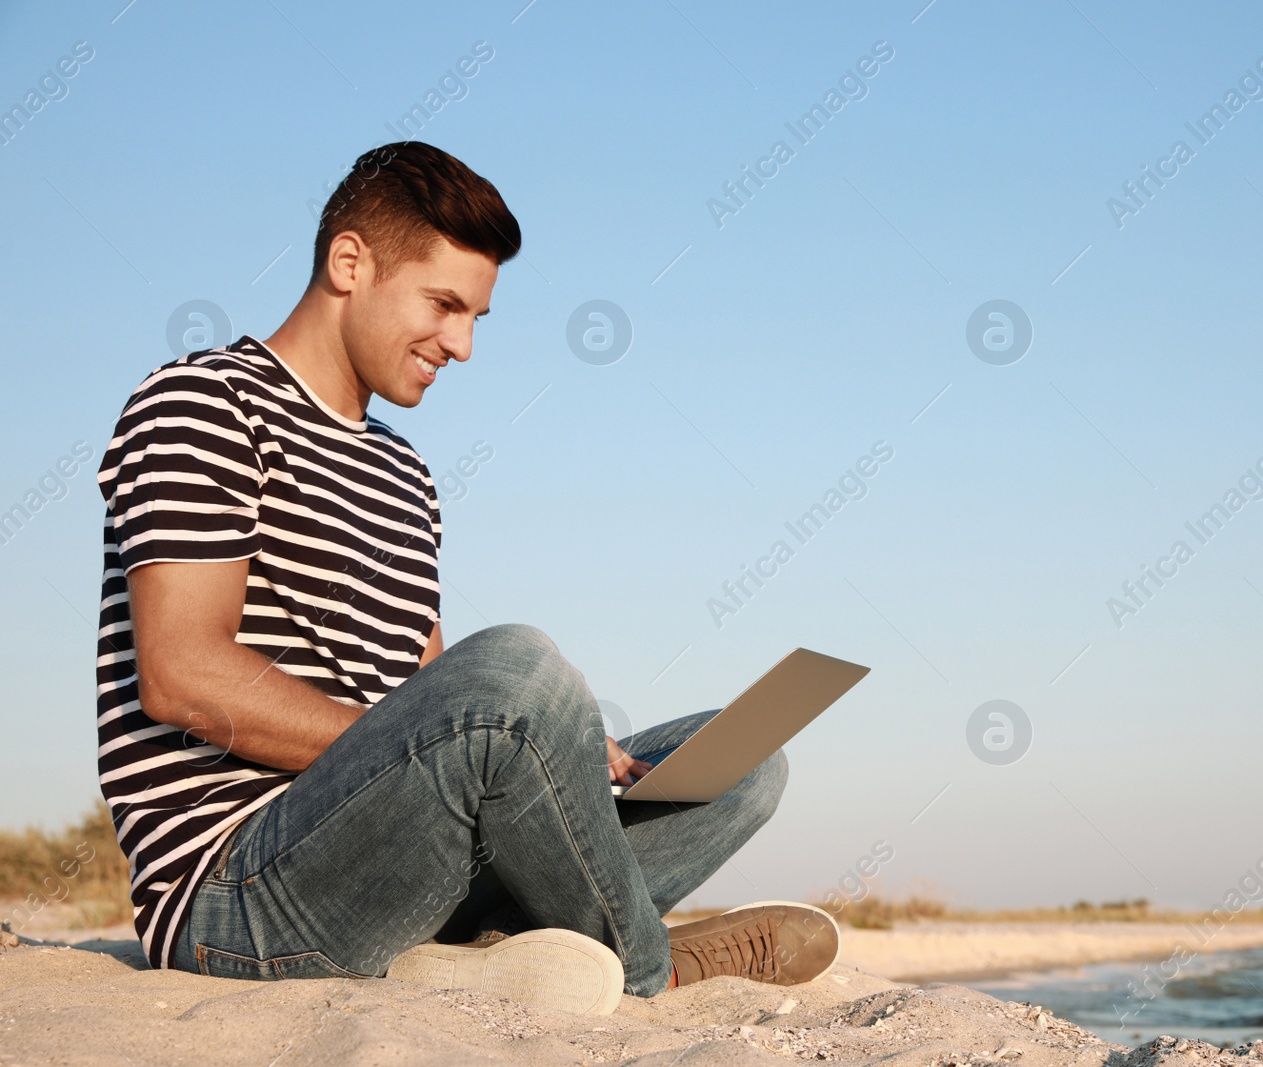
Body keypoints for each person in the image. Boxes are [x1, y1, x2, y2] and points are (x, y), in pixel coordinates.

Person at [94, 141, 839, 1015]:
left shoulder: (404, 474)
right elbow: (181, 674)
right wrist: (457, 730)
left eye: (478, 316)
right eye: (444, 304)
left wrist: (545, 748)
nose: (463, 344)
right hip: (237, 889)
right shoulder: (204, 404)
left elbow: (428, 685)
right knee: (518, 666)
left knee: (745, 753)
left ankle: (500, 948)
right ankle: (650, 968)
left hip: (403, 864)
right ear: (349, 263)